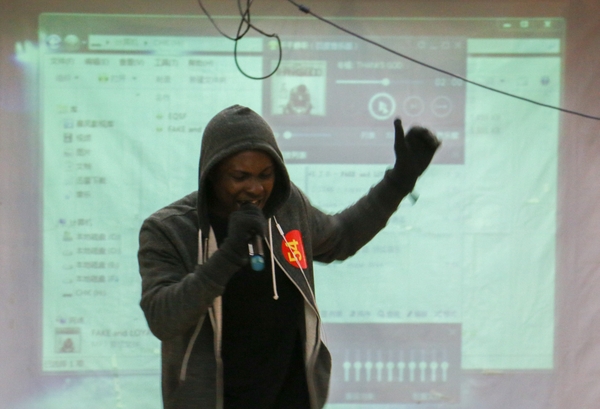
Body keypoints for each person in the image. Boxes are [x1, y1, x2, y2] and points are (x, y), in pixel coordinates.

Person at [138, 105, 440, 409]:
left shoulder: (285, 207)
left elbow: (342, 237)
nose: (255, 188)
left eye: (266, 175)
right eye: (240, 176)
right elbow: (162, 319)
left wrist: (399, 181)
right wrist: (229, 254)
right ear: (211, 173)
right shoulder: (169, 230)